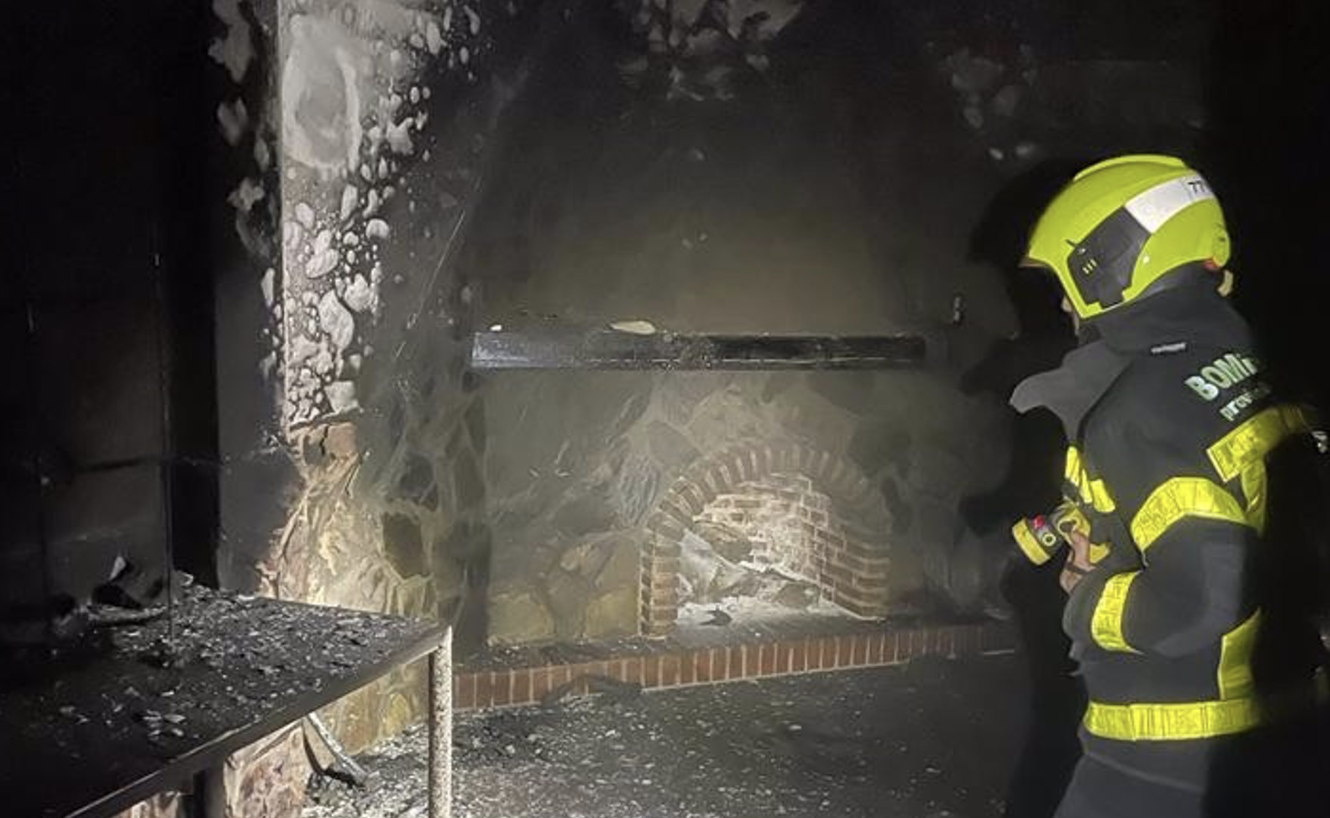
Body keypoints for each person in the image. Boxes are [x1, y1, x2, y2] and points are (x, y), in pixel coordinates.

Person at [1007, 154, 1329, 817]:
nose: (1065, 303)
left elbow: (1198, 596)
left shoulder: (1141, 406)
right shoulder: (1259, 364)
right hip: (1287, 721)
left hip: (1161, 753)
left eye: (1068, 281)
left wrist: (1087, 599)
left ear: (1111, 263)